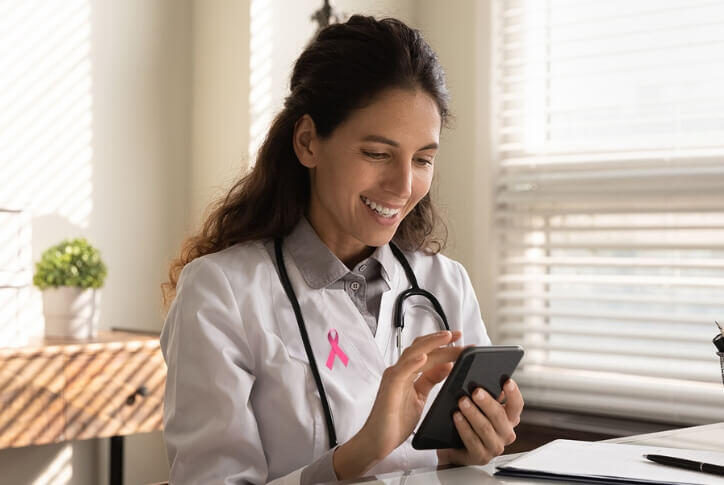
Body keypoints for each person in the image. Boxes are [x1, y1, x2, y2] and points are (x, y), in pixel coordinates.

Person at [160, 14, 523, 485]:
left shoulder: (444, 283)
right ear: (309, 142)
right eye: (376, 153)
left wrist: (472, 452)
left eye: (423, 159)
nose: (403, 184)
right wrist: (358, 455)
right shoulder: (220, 292)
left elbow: (459, 467)